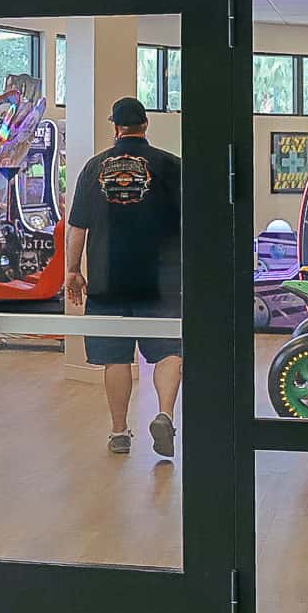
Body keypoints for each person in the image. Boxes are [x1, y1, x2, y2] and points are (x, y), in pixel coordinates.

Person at [65, 98, 183, 458]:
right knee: (170, 351)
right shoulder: (171, 165)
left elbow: (77, 228)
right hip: (161, 279)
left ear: (114, 127)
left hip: (107, 277)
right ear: (145, 125)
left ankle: (119, 431)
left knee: (116, 358)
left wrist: (72, 271)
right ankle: (164, 415)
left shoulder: (93, 168)